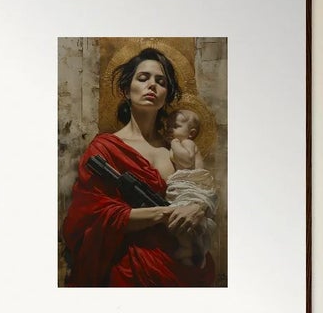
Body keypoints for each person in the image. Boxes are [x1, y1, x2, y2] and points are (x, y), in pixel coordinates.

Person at [61, 48, 217, 287]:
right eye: (143, 78)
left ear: (167, 94)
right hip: (130, 269)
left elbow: (201, 187)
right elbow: (90, 217)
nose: (152, 85)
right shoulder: (105, 148)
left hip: (181, 267)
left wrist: (198, 207)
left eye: (160, 81)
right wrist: (164, 213)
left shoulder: (179, 151)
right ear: (126, 90)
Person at [162, 107, 217, 269]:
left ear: (191, 133)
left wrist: (173, 143)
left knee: (180, 216)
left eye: (176, 126)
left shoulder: (187, 143)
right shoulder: (180, 143)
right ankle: (191, 250)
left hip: (193, 187)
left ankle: (188, 248)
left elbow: (186, 161)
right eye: (168, 126)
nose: (170, 129)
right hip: (184, 187)